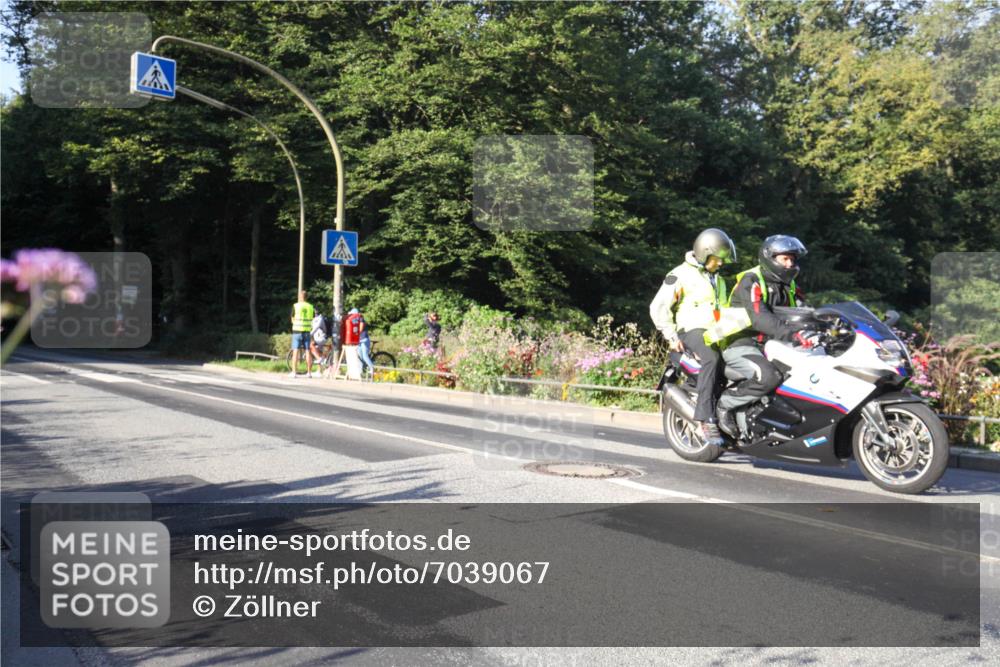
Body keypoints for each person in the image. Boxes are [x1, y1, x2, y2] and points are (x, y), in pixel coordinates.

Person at [713, 235, 814, 436]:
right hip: (741, 343)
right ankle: (725, 404)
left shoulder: (790, 286)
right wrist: (791, 334)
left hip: (772, 344)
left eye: (793, 259)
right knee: (768, 376)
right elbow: (760, 318)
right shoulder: (751, 280)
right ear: (770, 258)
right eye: (785, 259)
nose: (790, 264)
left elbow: (806, 312)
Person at [650, 228, 737, 447]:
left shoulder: (720, 281)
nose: (721, 264)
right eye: (718, 259)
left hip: (716, 334)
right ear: (704, 253)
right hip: (690, 330)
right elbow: (658, 306)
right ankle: (704, 419)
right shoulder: (680, 274)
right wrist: (670, 336)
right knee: (711, 359)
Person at [289, 290, 315, 378]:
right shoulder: (311, 307)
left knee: (295, 351)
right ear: (306, 297)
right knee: (308, 351)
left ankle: (294, 372)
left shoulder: (295, 306)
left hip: (297, 331)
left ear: (300, 297)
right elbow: (313, 318)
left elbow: (292, 318)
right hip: (307, 331)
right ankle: (309, 373)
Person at [355, 309, 375, 378]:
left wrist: (355, 333)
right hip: (359, 341)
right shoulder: (356, 320)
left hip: (364, 340)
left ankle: (372, 369)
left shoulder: (361, 319)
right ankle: (360, 372)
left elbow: (360, 330)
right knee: (360, 357)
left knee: (365, 356)